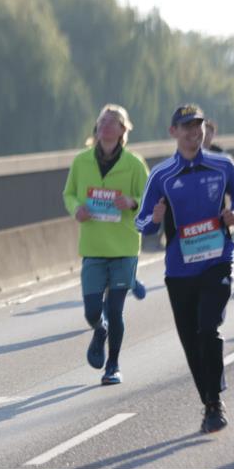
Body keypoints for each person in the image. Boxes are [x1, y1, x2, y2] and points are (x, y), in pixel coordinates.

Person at [136, 105, 234, 433]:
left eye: (197, 126)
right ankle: (209, 400)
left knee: (208, 328)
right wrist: (154, 220)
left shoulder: (222, 164)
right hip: (179, 271)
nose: (193, 132)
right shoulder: (161, 175)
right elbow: (141, 222)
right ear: (174, 132)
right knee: (191, 341)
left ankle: (215, 404)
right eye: (186, 127)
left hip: (217, 261)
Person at [63, 104, 149, 385]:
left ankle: (112, 365)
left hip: (124, 247)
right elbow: (69, 193)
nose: (107, 125)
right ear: (96, 128)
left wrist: (132, 202)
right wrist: (76, 208)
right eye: (102, 121)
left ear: (124, 130)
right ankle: (100, 330)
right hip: (93, 246)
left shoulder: (134, 164)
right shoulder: (81, 161)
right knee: (92, 311)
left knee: (115, 309)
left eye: (113, 121)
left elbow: (147, 199)